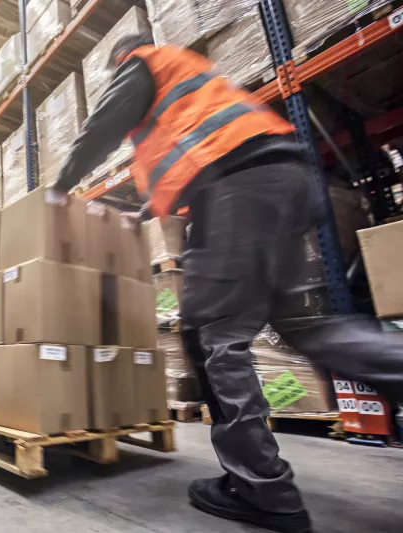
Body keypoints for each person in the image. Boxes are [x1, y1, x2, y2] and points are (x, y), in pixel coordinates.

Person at [50, 35, 403, 533]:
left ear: (118, 59)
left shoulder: (141, 64)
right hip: (283, 179)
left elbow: (101, 128)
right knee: (311, 330)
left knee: (213, 333)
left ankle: (261, 488)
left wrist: (58, 189)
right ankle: (258, 479)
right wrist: (146, 211)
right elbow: (185, 154)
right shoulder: (191, 80)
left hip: (238, 187)